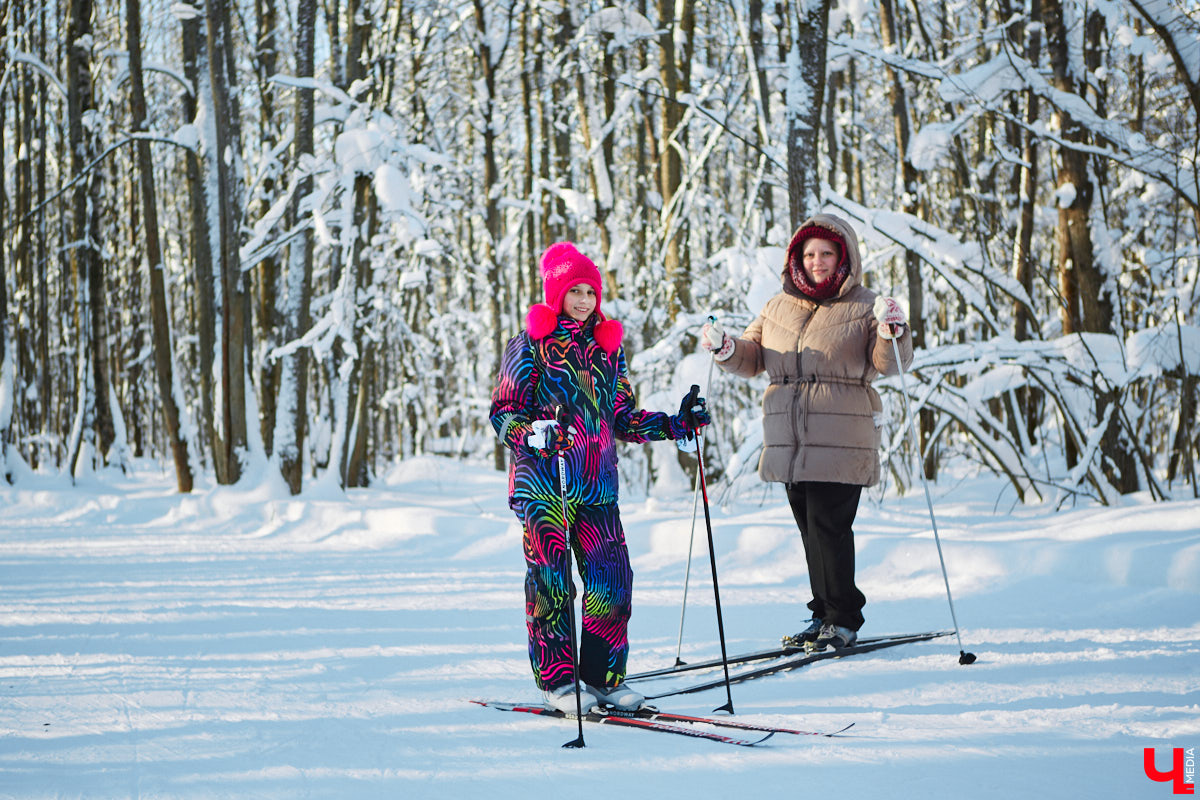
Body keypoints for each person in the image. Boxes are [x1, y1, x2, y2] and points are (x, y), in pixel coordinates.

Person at [491, 241, 710, 713]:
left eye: (591, 291)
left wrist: (677, 424)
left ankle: (603, 678)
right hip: (545, 486)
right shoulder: (528, 345)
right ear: (557, 294)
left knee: (612, 580)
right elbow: (503, 413)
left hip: (596, 486)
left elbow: (623, 418)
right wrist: (534, 434)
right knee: (552, 585)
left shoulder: (608, 349)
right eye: (575, 291)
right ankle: (558, 682)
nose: (585, 300)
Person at [698, 213, 912, 651]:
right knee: (811, 532)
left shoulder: (865, 305)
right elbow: (752, 357)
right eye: (810, 253)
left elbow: (890, 363)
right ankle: (823, 614)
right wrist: (726, 348)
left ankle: (843, 618)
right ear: (796, 257)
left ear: (844, 258)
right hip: (790, 440)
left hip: (841, 435)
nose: (817, 261)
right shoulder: (778, 306)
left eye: (827, 253)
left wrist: (894, 331)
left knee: (829, 527)